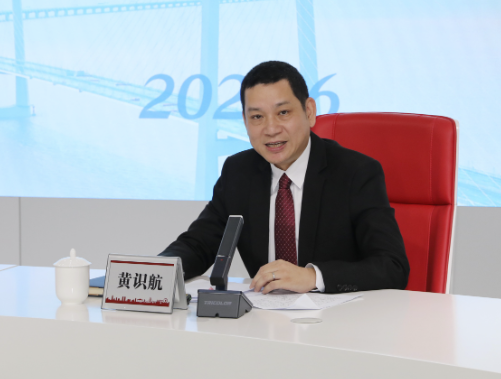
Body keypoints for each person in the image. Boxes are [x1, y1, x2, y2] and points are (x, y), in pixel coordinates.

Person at [159, 61, 409, 294]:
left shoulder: (355, 173)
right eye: (257, 117)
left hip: (340, 317)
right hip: (265, 316)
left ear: (309, 111)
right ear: (245, 121)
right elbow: (198, 245)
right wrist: (155, 271)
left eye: (283, 112)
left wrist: (313, 277)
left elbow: (392, 267)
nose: (271, 129)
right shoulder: (238, 172)